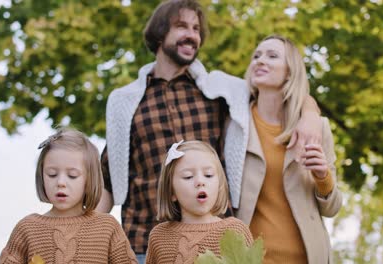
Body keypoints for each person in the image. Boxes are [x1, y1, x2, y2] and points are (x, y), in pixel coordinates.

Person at [97, 0, 322, 261]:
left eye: (196, 29)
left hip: (214, 243)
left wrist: (310, 114)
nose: (192, 35)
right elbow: (109, 178)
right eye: (182, 26)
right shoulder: (126, 101)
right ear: (159, 33)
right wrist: (86, 234)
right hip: (143, 243)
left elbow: (280, 90)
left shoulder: (221, 91)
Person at [236, 35, 343, 264]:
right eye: (256, 56)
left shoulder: (317, 128)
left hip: (307, 257)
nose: (260, 61)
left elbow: (332, 208)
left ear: (290, 72)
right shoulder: (235, 124)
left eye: (272, 56)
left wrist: (323, 177)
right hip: (250, 258)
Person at [0, 128, 138, 264]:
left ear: (89, 180)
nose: (60, 183)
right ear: (41, 176)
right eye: (52, 174)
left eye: (72, 176)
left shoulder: (107, 227)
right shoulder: (27, 228)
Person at [146, 140, 253, 263]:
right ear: (171, 191)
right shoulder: (159, 237)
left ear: (219, 185)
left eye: (208, 175)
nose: (200, 181)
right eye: (188, 176)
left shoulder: (235, 230)